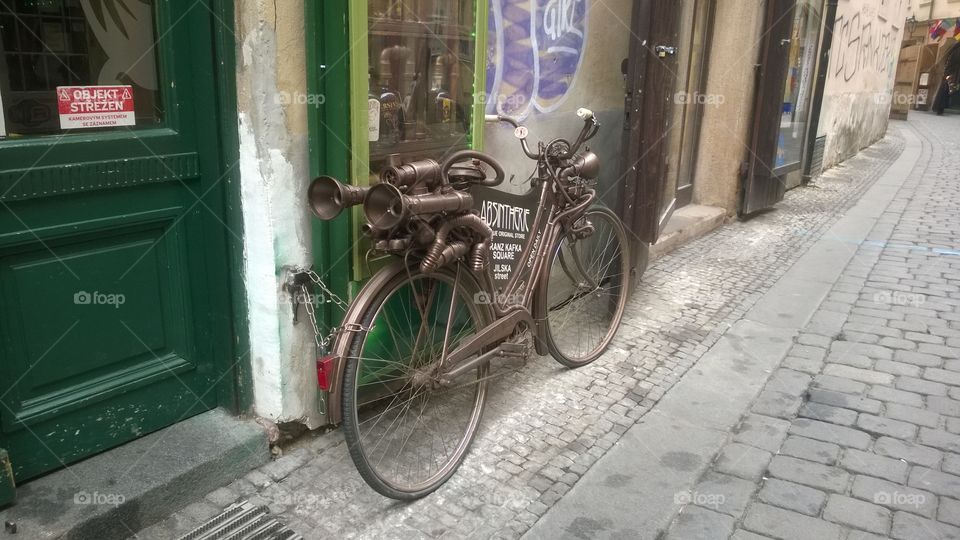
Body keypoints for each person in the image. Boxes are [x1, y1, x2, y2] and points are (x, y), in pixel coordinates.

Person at [933, 41, 960, 115]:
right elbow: (955, 63)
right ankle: (939, 109)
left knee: (944, 91)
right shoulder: (957, 52)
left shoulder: (953, 51)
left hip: (948, 74)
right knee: (945, 91)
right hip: (950, 75)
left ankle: (939, 108)